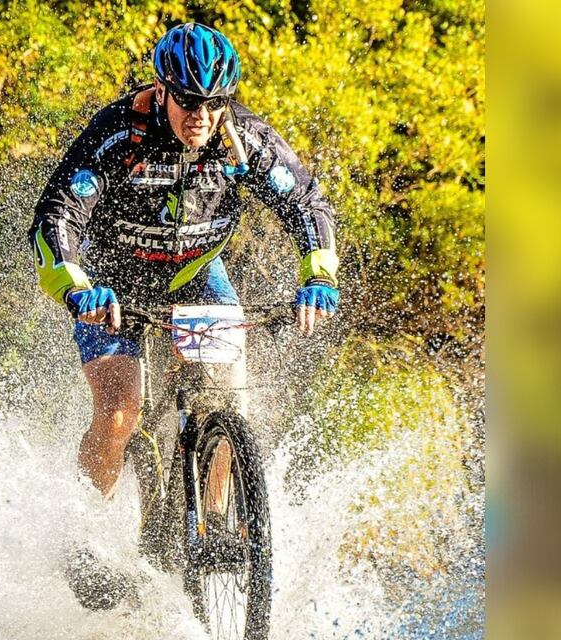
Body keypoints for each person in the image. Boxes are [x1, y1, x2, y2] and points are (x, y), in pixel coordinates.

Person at [29, 22, 340, 605]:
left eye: (214, 104)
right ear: (163, 90)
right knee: (121, 411)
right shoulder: (118, 134)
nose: (200, 116)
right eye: (189, 103)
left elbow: (306, 202)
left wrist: (317, 276)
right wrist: (77, 290)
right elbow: (56, 217)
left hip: (195, 273)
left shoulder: (244, 140)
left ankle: (211, 523)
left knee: (226, 402)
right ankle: (83, 531)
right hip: (112, 281)